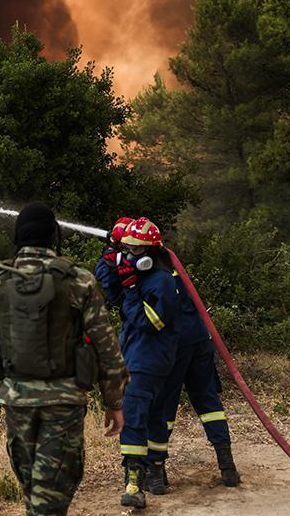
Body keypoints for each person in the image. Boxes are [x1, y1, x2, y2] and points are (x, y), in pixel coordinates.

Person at [0, 203, 128, 516]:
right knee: (47, 500)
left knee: (37, 497)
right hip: (64, 402)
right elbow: (107, 347)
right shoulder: (79, 280)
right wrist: (114, 401)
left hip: (18, 403)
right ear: (54, 235)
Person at [143, 267, 241, 492]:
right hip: (199, 339)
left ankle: (155, 472)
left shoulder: (146, 270)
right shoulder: (173, 268)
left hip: (175, 344)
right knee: (208, 402)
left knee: (163, 408)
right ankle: (228, 467)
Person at [113, 217, 180, 509]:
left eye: (136, 250)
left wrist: (130, 291)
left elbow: (150, 323)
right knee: (154, 417)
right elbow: (113, 295)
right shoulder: (142, 277)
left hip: (147, 360)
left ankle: (134, 482)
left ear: (151, 253)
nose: (130, 255)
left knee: (134, 418)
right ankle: (155, 474)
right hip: (145, 358)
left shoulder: (161, 281)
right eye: (126, 248)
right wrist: (112, 264)